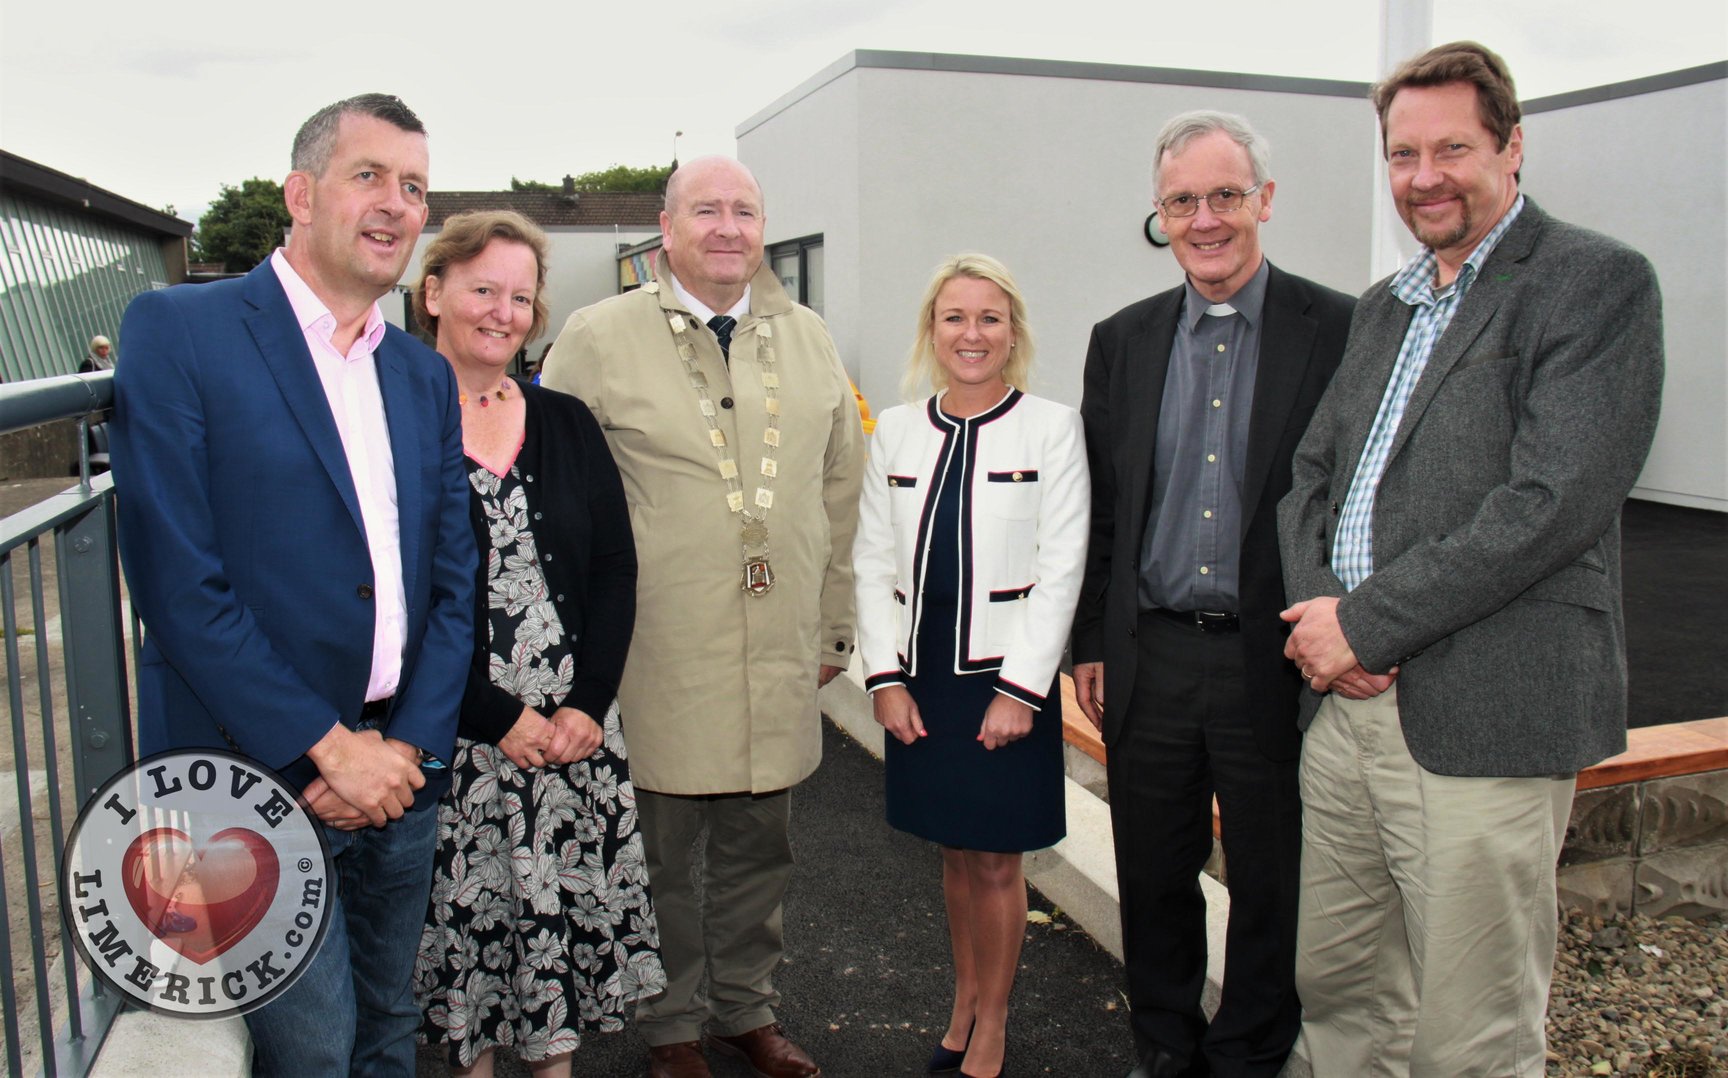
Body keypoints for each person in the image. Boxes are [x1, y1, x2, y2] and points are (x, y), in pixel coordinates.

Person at [1278, 41, 1663, 1076]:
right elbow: (1308, 481)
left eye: (1453, 147)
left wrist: (1364, 623)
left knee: (1471, 1028)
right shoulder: (1386, 305)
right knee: (1345, 994)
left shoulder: (1593, 283)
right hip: (1344, 712)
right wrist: (1323, 621)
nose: (1425, 176)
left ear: (1513, 144)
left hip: (1486, 711)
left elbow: (1550, 503)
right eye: (1404, 154)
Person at [110, 93, 475, 1076]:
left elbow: (454, 579)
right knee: (309, 1051)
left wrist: (403, 748)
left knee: (393, 1024)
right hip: (254, 782)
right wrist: (328, 750)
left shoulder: (420, 374)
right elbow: (181, 586)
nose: (397, 204)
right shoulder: (180, 329)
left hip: (404, 773)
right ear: (301, 193)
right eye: (371, 176)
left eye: (415, 187)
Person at [540, 155, 864, 1078]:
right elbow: (554, 496)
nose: (728, 228)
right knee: (661, 852)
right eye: (707, 210)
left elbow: (840, 489)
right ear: (666, 227)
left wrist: (834, 623)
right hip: (654, 648)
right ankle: (672, 1027)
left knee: (763, 849)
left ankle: (744, 1012)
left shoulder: (810, 338)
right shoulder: (598, 336)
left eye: (746, 211)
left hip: (778, 645)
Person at [1071, 112, 1354, 1078]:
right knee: (1153, 870)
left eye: (1225, 195)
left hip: (1270, 657)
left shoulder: (1342, 329)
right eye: (1182, 200)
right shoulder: (1123, 341)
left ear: (1264, 201)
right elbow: (1105, 508)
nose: (1205, 219)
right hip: (1150, 651)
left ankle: (1248, 1050)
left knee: (1275, 874)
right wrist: (1091, 643)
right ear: (1160, 214)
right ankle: (1164, 1042)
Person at [408, 211, 665, 1077]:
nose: (503, 312)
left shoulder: (567, 420)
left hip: (570, 738)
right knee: (473, 964)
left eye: (521, 296)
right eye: (483, 289)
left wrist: (588, 704)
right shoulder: (393, 423)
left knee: (558, 965)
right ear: (434, 292)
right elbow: (389, 600)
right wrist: (493, 715)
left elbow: (614, 570)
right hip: (457, 737)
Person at [855, 254, 1088, 1078]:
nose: (972, 334)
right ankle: (963, 999)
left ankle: (994, 1023)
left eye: (990, 317)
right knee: (953, 855)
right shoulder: (896, 428)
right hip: (923, 684)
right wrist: (883, 680)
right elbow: (871, 560)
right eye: (955, 317)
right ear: (932, 330)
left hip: (1003, 686)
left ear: (1013, 330)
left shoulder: (1052, 427)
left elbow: (1062, 568)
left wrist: (1022, 691)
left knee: (996, 860)